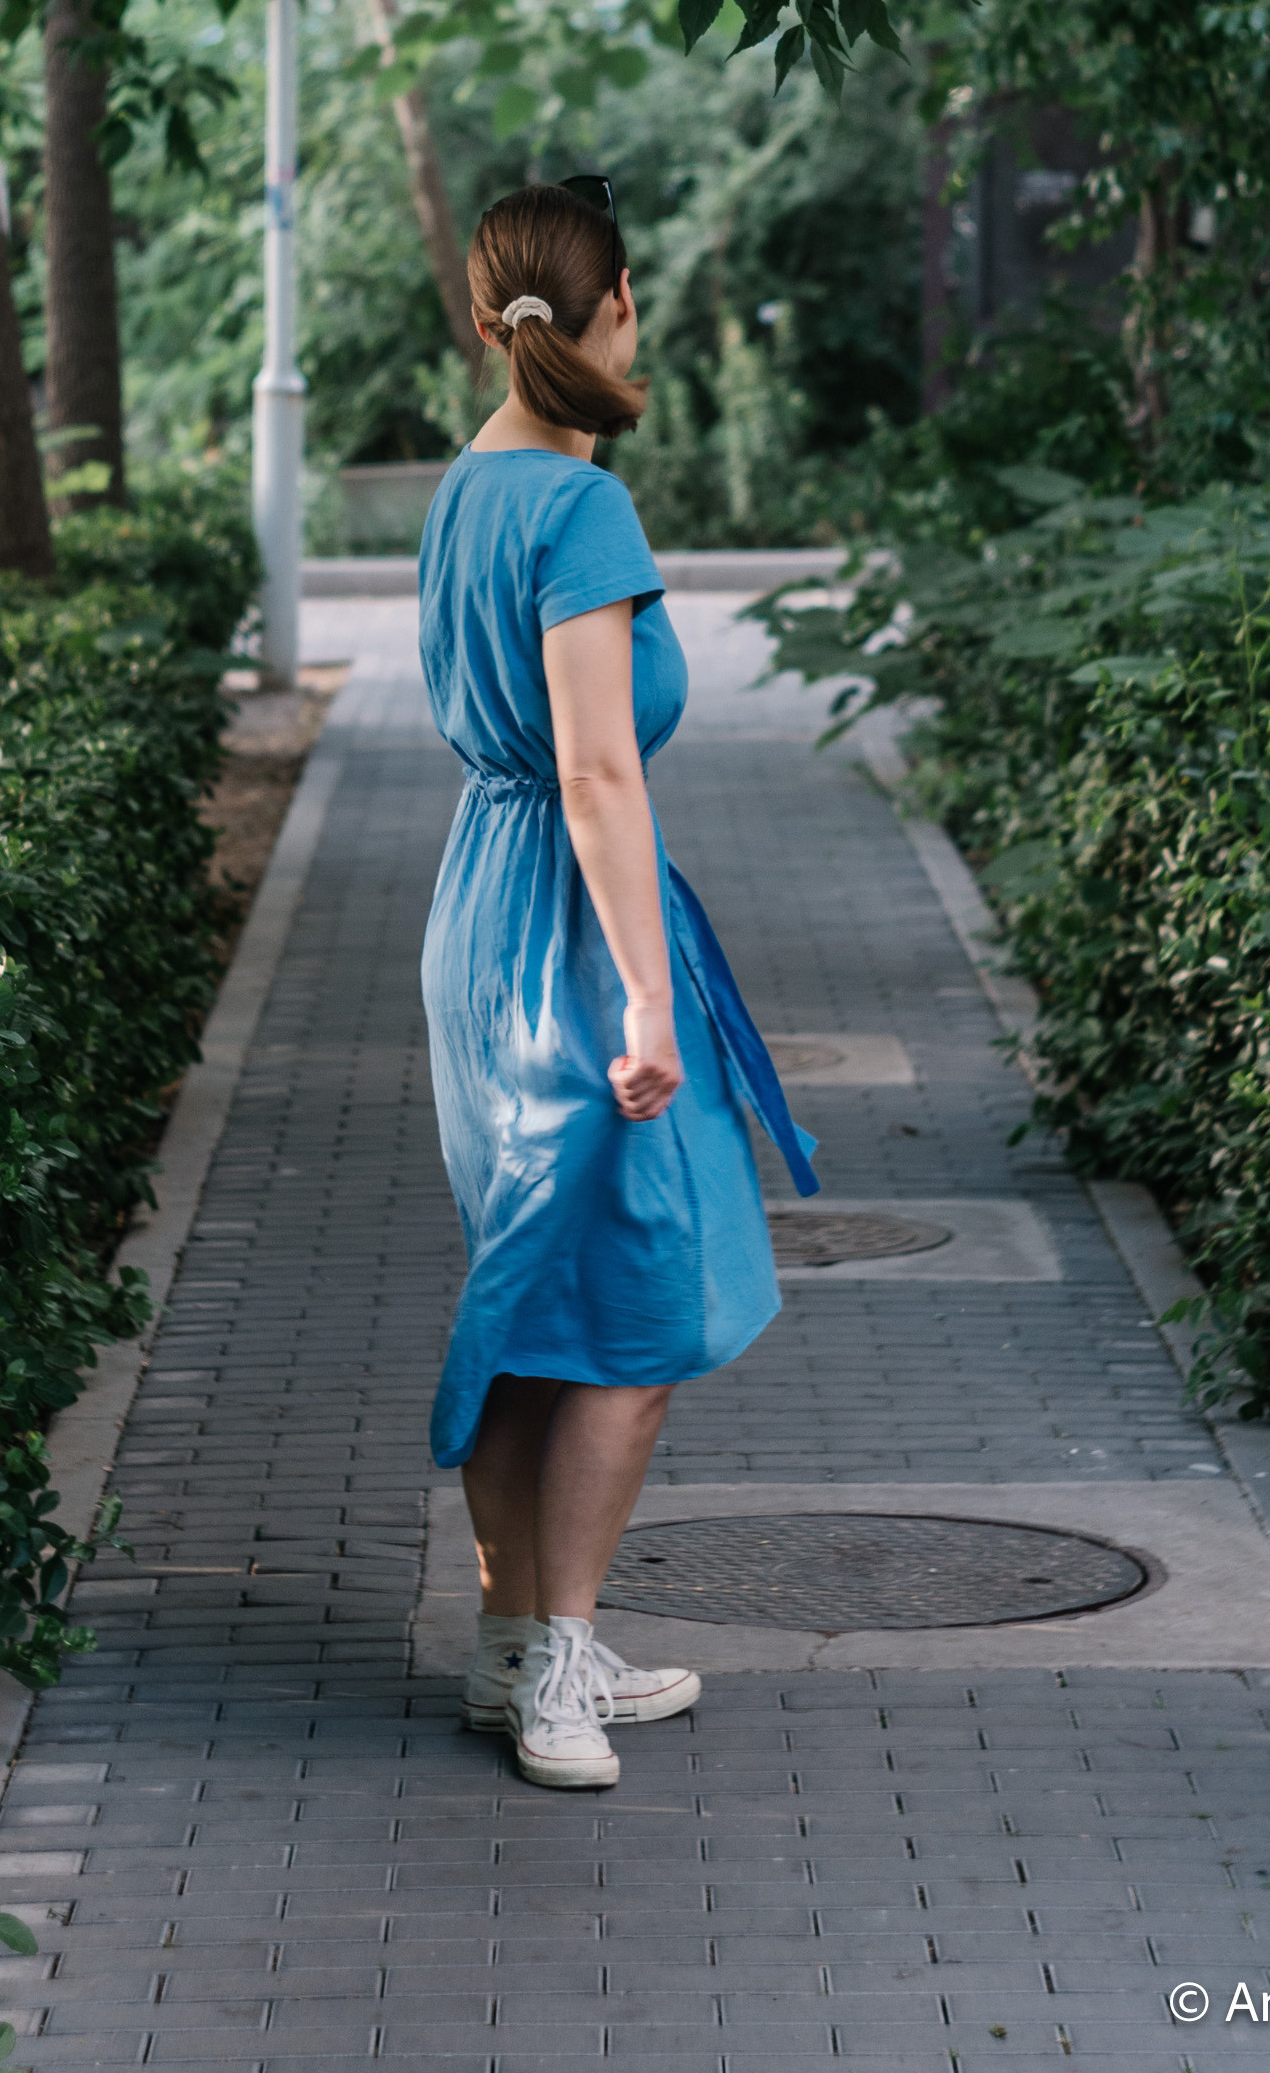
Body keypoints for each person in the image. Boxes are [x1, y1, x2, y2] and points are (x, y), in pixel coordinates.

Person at [416, 177, 818, 1790]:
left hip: (483, 910)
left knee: (538, 1296)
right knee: (637, 1319)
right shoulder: (583, 515)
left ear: (491, 321)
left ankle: (519, 1650)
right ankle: (558, 1673)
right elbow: (597, 773)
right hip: (574, 927)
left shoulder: (469, 484)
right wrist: (649, 1003)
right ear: (619, 308)